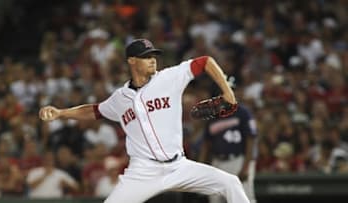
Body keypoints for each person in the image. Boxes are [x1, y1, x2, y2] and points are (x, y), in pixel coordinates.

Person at [39, 38, 249, 203]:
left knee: (230, 183)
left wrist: (227, 92)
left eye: (153, 55)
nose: (152, 59)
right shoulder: (120, 98)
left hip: (178, 166)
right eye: (145, 56)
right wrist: (60, 113)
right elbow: (94, 110)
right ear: (132, 60)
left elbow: (205, 62)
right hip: (143, 172)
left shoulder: (168, 78)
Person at [200, 102, 258, 203]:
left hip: (238, 161)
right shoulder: (213, 114)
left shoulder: (242, 112)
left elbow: (251, 140)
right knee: (216, 199)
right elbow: (206, 144)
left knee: (243, 199)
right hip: (217, 162)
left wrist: (246, 167)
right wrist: (202, 167)